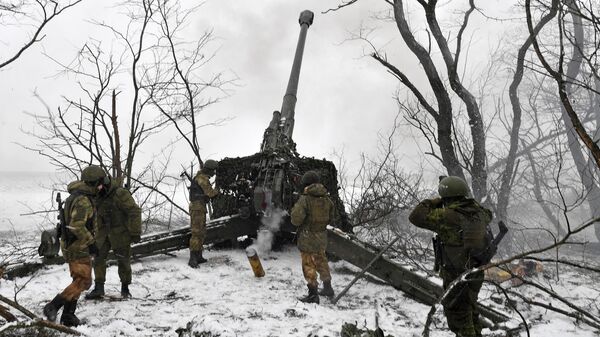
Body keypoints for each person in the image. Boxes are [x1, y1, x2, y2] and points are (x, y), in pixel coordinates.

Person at [408, 176, 492, 337]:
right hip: (476, 271)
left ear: (446, 197)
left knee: (458, 315)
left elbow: (415, 216)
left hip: (456, 273)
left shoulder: (447, 216)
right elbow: (488, 214)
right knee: (470, 310)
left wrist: (434, 201)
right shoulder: (480, 213)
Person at [43, 165, 101, 326]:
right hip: (78, 246)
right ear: (94, 182)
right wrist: (92, 243)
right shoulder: (83, 200)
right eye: (100, 183)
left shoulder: (77, 196)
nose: (101, 187)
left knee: (78, 280)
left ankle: (68, 316)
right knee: (84, 282)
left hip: (73, 244)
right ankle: (53, 306)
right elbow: (76, 226)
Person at [85, 171, 141, 299]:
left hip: (120, 232)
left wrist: (135, 232)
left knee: (124, 261)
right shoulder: (96, 195)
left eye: (96, 185)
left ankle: (125, 288)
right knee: (98, 259)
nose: (95, 189)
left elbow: (135, 211)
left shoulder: (120, 194)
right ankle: (99, 288)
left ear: (103, 182)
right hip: (103, 233)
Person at [290, 170, 336, 304]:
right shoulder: (327, 199)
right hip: (321, 236)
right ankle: (328, 288)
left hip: (307, 237)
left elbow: (295, 220)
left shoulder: (305, 199)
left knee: (308, 265)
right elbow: (332, 218)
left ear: (306, 184)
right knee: (322, 261)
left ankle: (313, 295)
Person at [188, 159, 220, 268]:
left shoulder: (200, 177)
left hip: (199, 207)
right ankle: (193, 258)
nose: (214, 173)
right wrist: (218, 189)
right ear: (209, 169)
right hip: (197, 207)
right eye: (213, 171)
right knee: (196, 232)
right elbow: (210, 193)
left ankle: (198, 256)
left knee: (201, 232)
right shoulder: (202, 178)